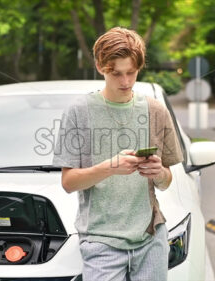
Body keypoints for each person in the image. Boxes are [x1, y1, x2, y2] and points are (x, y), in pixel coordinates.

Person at [52, 27, 183, 281]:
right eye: (116, 73)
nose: (125, 82)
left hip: (150, 238)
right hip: (101, 243)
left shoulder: (156, 111)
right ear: (101, 67)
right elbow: (68, 183)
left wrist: (158, 173)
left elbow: (167, 182)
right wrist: (110, 167)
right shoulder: (79, 111)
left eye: (131, 73)